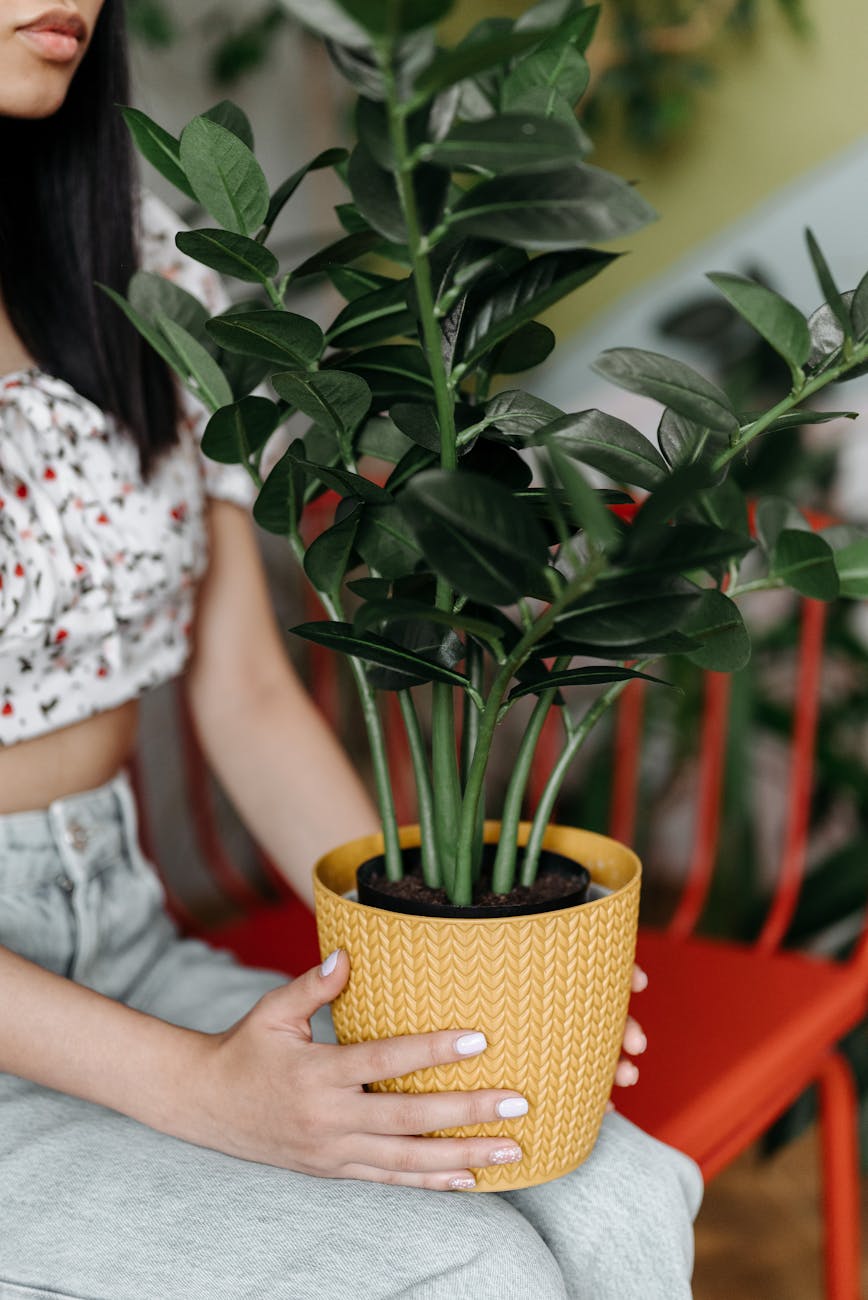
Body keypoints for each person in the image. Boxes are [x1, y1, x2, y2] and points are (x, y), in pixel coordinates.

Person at [0, 3, 703, 1296]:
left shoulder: (141, 265)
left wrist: (451, 960)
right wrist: (204, 1090)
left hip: (126, 937)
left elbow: (248, 699)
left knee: (616, 1190)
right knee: (466, 1268)